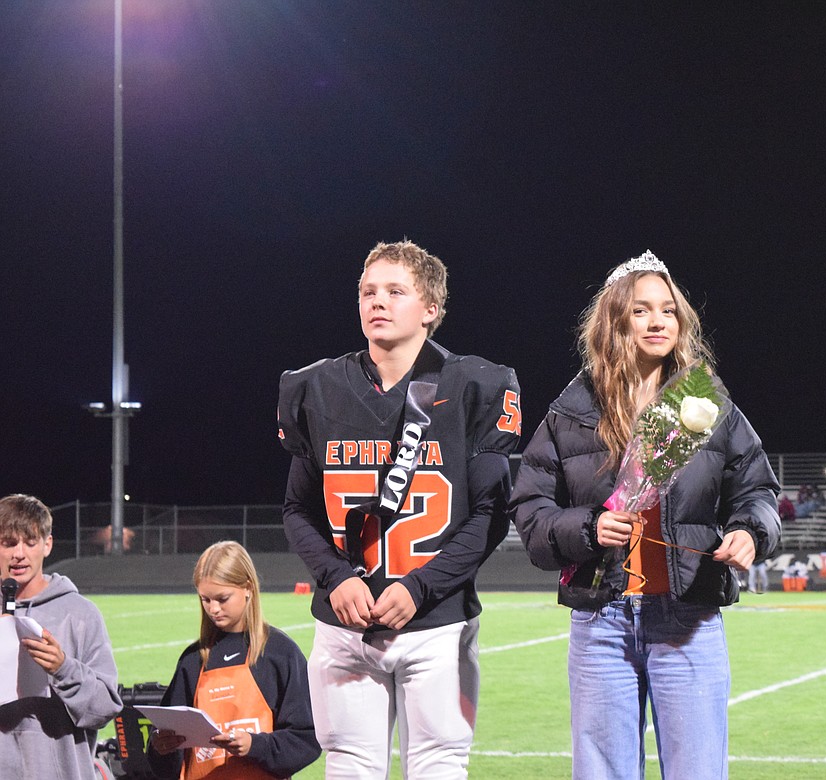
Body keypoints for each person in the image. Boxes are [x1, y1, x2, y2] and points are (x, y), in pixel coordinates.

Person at [510, 251, 781, 780]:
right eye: (641, 310)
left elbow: (758, 492)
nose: (658, 321)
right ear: (615, 320)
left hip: (689, 617)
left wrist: (750, 532)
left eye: (668, 310)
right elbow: (531, 511)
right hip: (600, 622)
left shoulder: (705, 404)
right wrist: (588, 529)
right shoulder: (570, 413)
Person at [278, 240, 522, 779]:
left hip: (437, 623)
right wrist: (335, 578)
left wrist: (419, 588)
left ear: (431, 309)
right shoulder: (316, 387)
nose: (377, 302)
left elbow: (489, 513)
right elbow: (297, 509)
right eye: (368, 291)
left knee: (438, 765)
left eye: (395, 291)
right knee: (348, 767)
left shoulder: (474, 386)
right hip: (344, 623)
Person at [148, 541, 320, 779]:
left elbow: (307, 738)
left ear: (248, 588)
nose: (213, 609)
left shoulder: (280, 653)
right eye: (205, 599)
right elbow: (165, 761)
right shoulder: (192, 660)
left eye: (222, 598)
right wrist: (161, 747)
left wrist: (254, 745)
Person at [0, 494, 122, 778]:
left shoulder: (80, 614)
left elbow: (105, 708)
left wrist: (63, 668)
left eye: (30, 542)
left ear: (47, 545)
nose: (19, 553)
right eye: (8, 543)